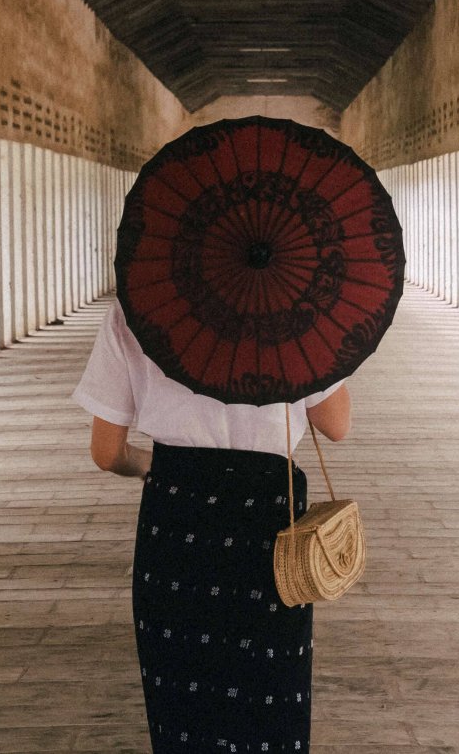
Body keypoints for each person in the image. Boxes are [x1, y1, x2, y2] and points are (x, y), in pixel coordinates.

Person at [74, 304, 353, 754]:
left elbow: (107, 452)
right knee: (269, 693)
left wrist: (147, 466)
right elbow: (337, 425)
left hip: (176, 519)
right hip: (266, 522)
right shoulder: (291, 307)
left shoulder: (135, 309)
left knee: (183, 695)